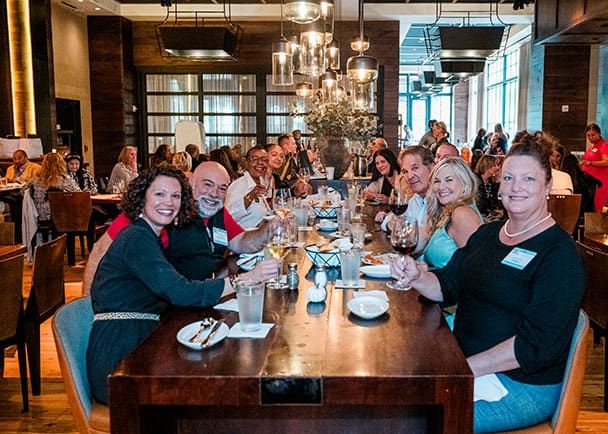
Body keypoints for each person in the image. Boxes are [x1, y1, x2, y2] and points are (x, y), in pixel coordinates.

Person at [391, 137, 585, 433]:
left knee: (416, 421)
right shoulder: (488, 235)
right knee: (394, 398)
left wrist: (462, 371)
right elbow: (446, 285)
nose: (515, 187)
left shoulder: (559, 254)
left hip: (518, 384)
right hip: (467, 363)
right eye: (508, 177)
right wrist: (417, 276)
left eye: (528, 178)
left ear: (547, 186)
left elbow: (532, 347)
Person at [86, 165, 279, 404]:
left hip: (144, 339)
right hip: (120, 359)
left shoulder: (148, 235)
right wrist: (246, 279)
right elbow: (180, 291)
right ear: (141, 197)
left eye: (175, 196)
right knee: (207, 395)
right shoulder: (136, 237)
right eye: (159, 194)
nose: (168, 202)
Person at [421, 157, 482, 270]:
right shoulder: (447, 211)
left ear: (465, 184)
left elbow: (474, 269)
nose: (441, 187)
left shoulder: (462, 214)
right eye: (437, 181)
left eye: (449, 180)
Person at [377, 146, 434, 253]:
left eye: (415, 168)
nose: (410, 176)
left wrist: (400, 228)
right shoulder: (415, 199)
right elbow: (387, 222)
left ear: (431, 167)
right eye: (405, 171)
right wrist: (392, 225)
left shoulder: (441, 200)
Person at [225, 146, 272, 229]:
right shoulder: (239, 185)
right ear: (246, 163)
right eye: (254, 159)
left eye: (264, 160)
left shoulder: (262, 182)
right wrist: (250, 196)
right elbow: (228, 216)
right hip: (243, 238)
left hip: (260, 237)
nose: (260, 163)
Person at [27, 152, 81, 223]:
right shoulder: (64, 178)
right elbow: (79, 194)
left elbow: (23, 191)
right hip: (60, 216)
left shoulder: (36, 178)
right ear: (61, 164)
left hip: (37, 215)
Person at [580, 123, 608, 211]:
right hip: (590, 184)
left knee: (597, 207)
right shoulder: (592, 147)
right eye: (588, 135)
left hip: (600, 183)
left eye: (593, 135)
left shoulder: (604, 145)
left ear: (599, 134)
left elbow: (606, 162)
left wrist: (589, 163)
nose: (590, 137)